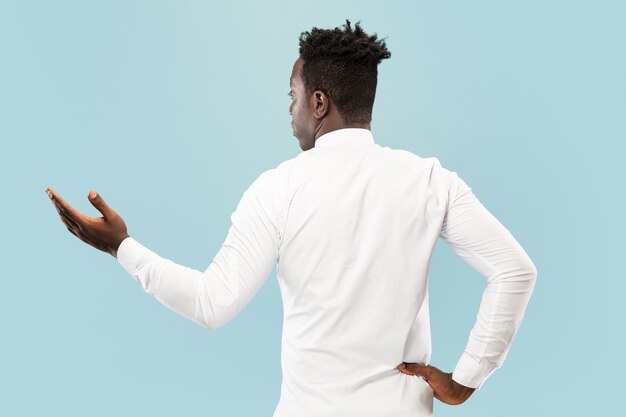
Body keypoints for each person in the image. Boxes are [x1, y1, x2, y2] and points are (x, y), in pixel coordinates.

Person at [45, 20, 537, 417]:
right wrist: (466, 380)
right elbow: (515, 271)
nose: (290, 110)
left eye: (293, 95)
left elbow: (211, 303)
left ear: (319, 102)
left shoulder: (278, 188)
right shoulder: (430, 181)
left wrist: (121, 247)